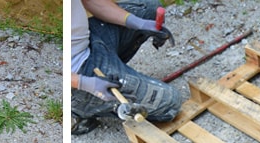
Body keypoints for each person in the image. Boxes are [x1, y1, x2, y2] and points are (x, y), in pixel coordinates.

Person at [71, 0, 182, 135]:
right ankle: (78, 106)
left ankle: (115, 70)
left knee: (149, 9)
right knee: (170, 102)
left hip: (90, 40)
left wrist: (137, 23)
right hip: (81, 72)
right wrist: (83, 83)